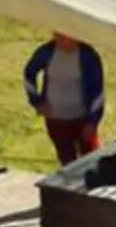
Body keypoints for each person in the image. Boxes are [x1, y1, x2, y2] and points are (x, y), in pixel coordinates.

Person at [21, 32, 103, 164]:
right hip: (56, 120)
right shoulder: (46, 52)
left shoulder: (88, 57)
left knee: (93, 161)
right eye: (55, 35)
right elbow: (29, 74)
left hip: (82, 120)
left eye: (62, 36)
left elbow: (98, 92)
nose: (57, 39)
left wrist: (92, 122)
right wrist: (37, 102)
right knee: (67, 162)